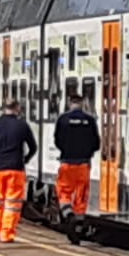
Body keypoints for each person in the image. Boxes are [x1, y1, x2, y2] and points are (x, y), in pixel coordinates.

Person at [0, 97, 37, 243]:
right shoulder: (22, 126)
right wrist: (26, 158)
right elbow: (33, 147)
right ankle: (6, 234)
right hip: (16, 168)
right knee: (12, 203)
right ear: (17, 108)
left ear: (3, 108)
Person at [51, 86, 101, 222]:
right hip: (84, 165)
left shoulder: (63, 120)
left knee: (64, 193)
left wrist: (66, 150)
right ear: (82, 103)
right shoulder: (90, 121)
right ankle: (78, 223)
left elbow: (57, 140)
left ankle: (68, 214)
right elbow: (96, 143)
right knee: (81, 195)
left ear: (69, 103)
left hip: (67, 163)